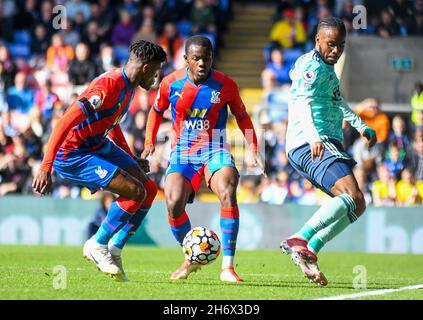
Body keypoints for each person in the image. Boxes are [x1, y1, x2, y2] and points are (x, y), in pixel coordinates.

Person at [32, 40, 167, 282]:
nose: (157, 79)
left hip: (96, 143)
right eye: (156, 72)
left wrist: (131, 158)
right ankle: (97, 243)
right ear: (146, 68)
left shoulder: (128, 86)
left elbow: (111, 125)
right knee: (135, 191)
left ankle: (114, 249)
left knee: (148, 189)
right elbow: (64, 121)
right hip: (72, 152)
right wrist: (45, 167)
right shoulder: (108, 85)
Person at [142, 36, 265, 283]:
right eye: (196, 58)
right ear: (186, 59)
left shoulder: (225, 85)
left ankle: (228, 268)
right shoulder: (170, 83)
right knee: (173, 201)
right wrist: (149, 142)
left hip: (215, 149)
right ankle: (191, 257)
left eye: (206, 58)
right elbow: (155, 112)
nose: (201, 63)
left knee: (228, 191)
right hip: (183, 152)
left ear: (212, 58)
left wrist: (252, 146)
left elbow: (242, 116)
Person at [279, 17, 377, 286]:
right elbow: (301, 102)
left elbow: (337, 101)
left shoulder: (327, 69)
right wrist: (313, 136)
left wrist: (361, 126)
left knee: (357, 204)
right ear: (318, 41)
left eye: (341, 45)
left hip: (325, 142)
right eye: (331, 44)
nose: (336, 51)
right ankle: (300, 238)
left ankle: (310, 250)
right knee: (351, 194)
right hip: (311, 142)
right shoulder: (310, 67)